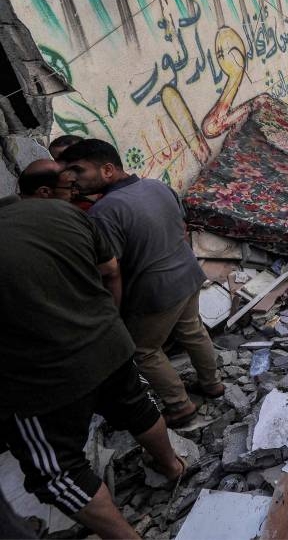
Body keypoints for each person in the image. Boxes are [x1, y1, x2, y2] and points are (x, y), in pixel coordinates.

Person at [0, 189, 184, 539]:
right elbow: (110, 269)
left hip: (41, 379)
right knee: (138, 408)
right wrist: (110, 321)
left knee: (58, 472)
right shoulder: (57, 212)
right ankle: (173, 466)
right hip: (107, 342)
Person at [61, 140, 222, 428]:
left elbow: (112, 270)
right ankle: (213, 385)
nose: (72, 179)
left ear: (108, 169)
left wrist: (115, 313)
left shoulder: (104, 211)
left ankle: (179, 405)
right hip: (188, 272)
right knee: (192, 330)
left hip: (157, 290)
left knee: (143, 349)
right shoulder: (156, 186)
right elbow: (182, 228)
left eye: (78, 170)